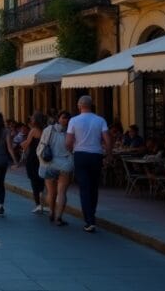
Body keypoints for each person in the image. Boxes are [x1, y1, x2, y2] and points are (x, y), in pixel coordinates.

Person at [66, 95, 111, 233]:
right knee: (94, 187)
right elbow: (107, 140)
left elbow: (68, 142)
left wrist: (71, 150)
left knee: (84, 188)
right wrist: (108, 155)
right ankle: (92, 214)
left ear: (79, 106)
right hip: (96, 155)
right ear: (92, 105)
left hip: (80, 154)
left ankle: (89, 220)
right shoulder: (100, 120)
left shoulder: (73, 120)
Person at [38, 111, 73, 226]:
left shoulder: (48, 129)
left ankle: (51, 213)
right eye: (64, 118)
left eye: (67, 118)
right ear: (59, 118)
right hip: (65, 164)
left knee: (51, 192)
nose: (66, 120)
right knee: (62, 192)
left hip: (50, 163)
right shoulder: (71, 132)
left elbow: (41, 145)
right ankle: (59, 217)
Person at [20, 112, 47, 214]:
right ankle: (43, 203)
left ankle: (38, 205)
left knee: (34, 181)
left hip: (33, 158)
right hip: (43, 158)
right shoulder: (46, 130)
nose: (31, 120)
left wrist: (22, 143)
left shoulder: (33, 131)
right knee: (42, 180)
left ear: (35, 120)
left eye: (32, 118)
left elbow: (26, 145)